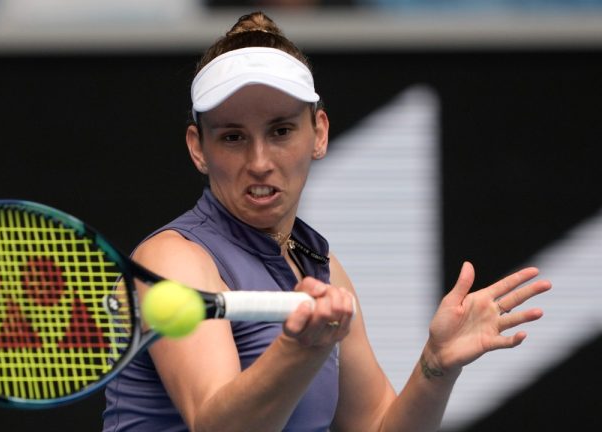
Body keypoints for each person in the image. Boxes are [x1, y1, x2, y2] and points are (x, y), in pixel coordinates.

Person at [102, 11, 551, 432]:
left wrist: (435, 366)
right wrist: (301, 349)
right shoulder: (172, 262)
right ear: (198, 148)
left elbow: (376, 423)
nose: (259, 162)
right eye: (233, 137)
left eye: (281, 131)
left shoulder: (320, 267)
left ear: (318, 133)